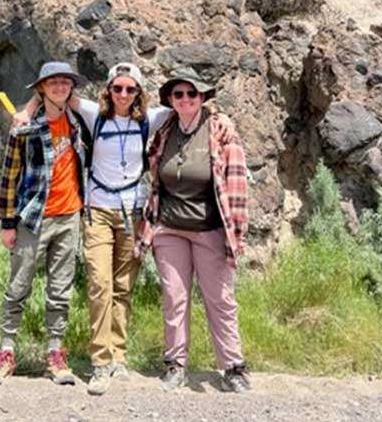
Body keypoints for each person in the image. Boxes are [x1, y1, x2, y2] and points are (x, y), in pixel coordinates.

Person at [13, 63, 234, 395]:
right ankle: (101, 361)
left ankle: (119, 356)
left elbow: (188, 106)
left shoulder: (152, 118)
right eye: (117, 88)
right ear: (108, 90)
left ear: (139, 93)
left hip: (133, 214)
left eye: (130, 89)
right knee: (100, 284)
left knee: (123, 286)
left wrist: (220, 116)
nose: (123, 94)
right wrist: (27, 110)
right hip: (98, 211)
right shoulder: (93, 114)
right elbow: (55, 93)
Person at [134, 73, 251, 394]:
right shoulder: (165, 131)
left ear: (203, 98)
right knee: (174, 298)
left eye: (192, 94)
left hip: (210, 230)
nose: (185, 99)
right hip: (169, 229)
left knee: (221, 300)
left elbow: (238, 186)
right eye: (178, 94)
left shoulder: (220, 132)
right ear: (170, 100)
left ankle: (233, 367)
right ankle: (175, 364)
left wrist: (236, 235)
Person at [0, 61, 87, 386]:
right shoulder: (25, 126)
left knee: (60, 290)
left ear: (70, 88)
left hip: (69, 217)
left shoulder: (77, 122)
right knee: (18, 287)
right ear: (41, 88)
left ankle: (55, 354)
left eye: (64, 83)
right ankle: (6, 352)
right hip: (32, 217)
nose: (59, 87)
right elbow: (10, 174)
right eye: (52, 83)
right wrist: (7, 222)